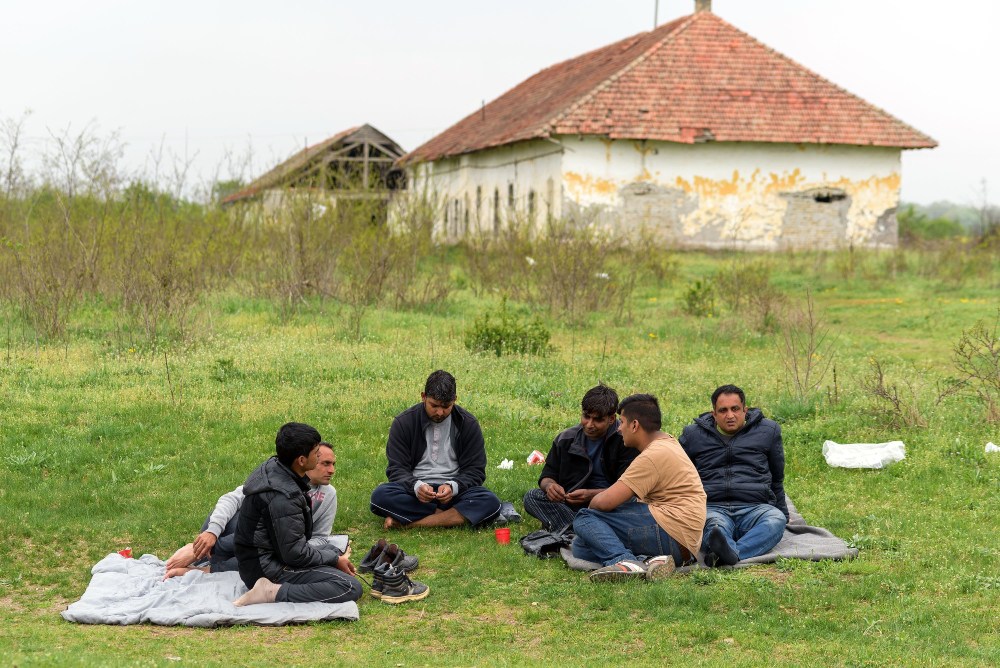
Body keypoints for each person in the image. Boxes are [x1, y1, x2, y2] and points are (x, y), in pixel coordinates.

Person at [573, 394, 707, 582]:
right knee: (580, 545)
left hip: (671, 531)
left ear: (634, 425)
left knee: (584, 519)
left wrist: (593, 510)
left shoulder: (652, 456)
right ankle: (652, 561)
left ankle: (625, 561)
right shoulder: (667, 442)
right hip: (684, 545)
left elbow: (602, 503)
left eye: (621, 422)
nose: (618, 429)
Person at [163, 442, 340, 579]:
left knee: (271, 558)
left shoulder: (329, 494)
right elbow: (231, 499)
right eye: (325, 463)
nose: (331, 470)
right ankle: (201, 551)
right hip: (238, 533)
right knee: (257, 536)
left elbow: (320, 538)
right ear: (306, 460)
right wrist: (212, 532)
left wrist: (296, 547)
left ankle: (202, 568)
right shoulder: (276, 479)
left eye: (333, 464)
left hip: (271, 546)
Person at [232, 422, 361, 606]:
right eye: (316, 453)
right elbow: (294, 554)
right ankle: (271, 592)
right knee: (349, 586)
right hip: (266, 569)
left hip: (261, 559)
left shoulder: (274, 466)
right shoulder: (284, 497)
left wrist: (332, 557)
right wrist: (333, 559)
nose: (319, 456)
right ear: (301, 460)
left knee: (332, 550)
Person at [370, 370, 502, 529]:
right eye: (434, 405)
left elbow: (475, 471)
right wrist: (417, 486)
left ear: (455, 400)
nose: (440, 412)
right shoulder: (404, 422)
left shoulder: (468, 423)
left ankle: (410, 523)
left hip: (453, 493)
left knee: (489, 501)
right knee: (380, 496)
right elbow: (396, 469)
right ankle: (451, 516)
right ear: (423, 397)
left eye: (446, 406)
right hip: (415, 493)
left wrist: (453, 486)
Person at [679, 384, 788, 567]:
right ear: (714, 414)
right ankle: (730, 549)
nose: (730, 415)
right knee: (714, 528)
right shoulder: (693, 436)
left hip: (755, 507)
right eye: (723, 410)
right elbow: (680, 477)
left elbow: (777, 477)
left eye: (735, 409)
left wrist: (783, 511)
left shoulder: (768, 431)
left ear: (745, 410)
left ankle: (730, 553)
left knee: (776, 520)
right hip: (713, 507)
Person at [523, 384, 638, 531]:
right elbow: (547, 475)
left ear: (611, 419)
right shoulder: (566, 439)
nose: (590, 424)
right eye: (586, 417)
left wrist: (591, 495)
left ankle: (572, 529)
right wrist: (550, 486)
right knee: (532, 497)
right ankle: (584, 529)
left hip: (610, 504)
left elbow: (629, 490)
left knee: (632, 505)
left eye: (597, 420)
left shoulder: (626, 441)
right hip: (571, 506)